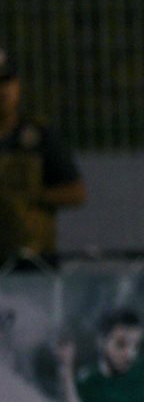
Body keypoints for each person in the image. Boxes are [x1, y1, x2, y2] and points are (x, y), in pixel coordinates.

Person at [0, 47, 86, 260]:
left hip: (32, 262)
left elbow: (75, 192)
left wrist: (28, 196)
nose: (2, 90)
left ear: (17, 85)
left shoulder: (38, 136)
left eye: (6, 81)